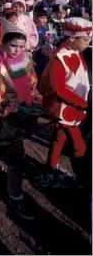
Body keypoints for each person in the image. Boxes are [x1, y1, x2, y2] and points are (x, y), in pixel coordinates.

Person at [0, 19, 42, 220]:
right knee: (17, 157)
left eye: (21, 46)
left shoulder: (26, 62)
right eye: (13, 45)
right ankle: (15, 196)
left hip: (23, 113)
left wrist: (34, 100)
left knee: (6, 144)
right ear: (3, 44)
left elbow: (33, 85)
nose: (17, 50)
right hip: (7, 118)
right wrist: (10, 106)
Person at [37, 17, 92, 188]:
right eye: (86, 40)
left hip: (73, 108)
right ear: (73, 38)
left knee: (59, 137)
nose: (89, 43)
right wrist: (83, 104)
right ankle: (82, 179)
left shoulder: (76, 53)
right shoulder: (59, 58)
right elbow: (59, 89)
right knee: (80, 147)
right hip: (65, 109)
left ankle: (51, 168)